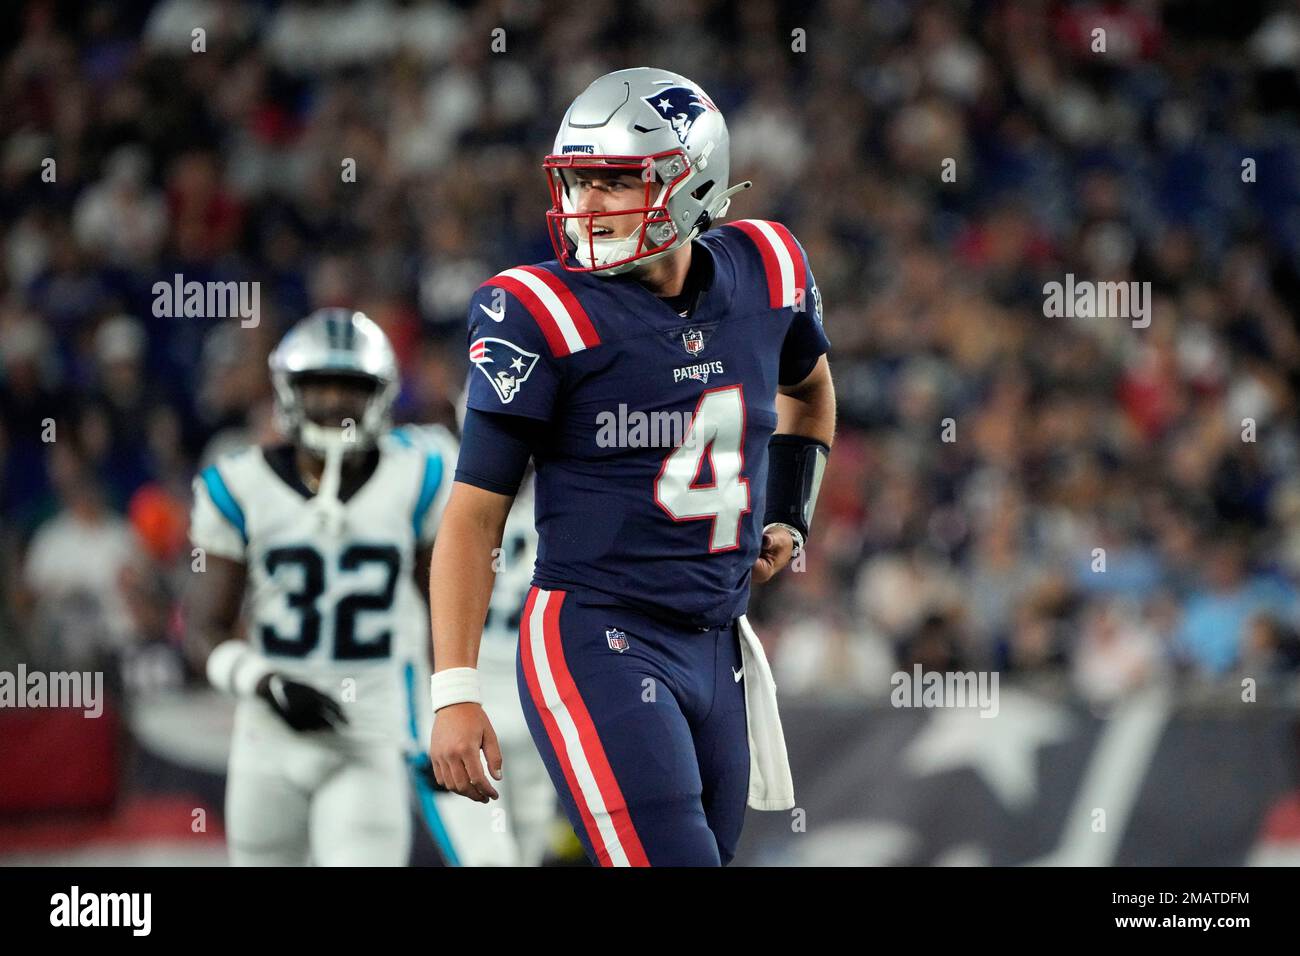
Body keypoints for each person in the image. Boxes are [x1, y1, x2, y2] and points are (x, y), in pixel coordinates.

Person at [427, 68, 836, 866]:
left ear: (695, 181)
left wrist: (788, 512)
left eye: (615, 182)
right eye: (578, 182)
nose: (587, 206)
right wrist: (455, 689)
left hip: (718, 643)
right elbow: (474, 515)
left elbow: (810, 395)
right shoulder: (538, 311)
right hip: (597, 633)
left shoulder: (769, 268)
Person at [187, 308, 458, 866]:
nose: (335, 402)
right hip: (268, 743)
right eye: (319, 386)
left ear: (380, 395)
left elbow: (446, 612)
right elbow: (202, 628)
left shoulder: (419, 477)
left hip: (370, 739)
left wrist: (445, 708)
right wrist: (266, 682)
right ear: (288, 392)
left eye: (351, 387)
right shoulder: (239, 484)